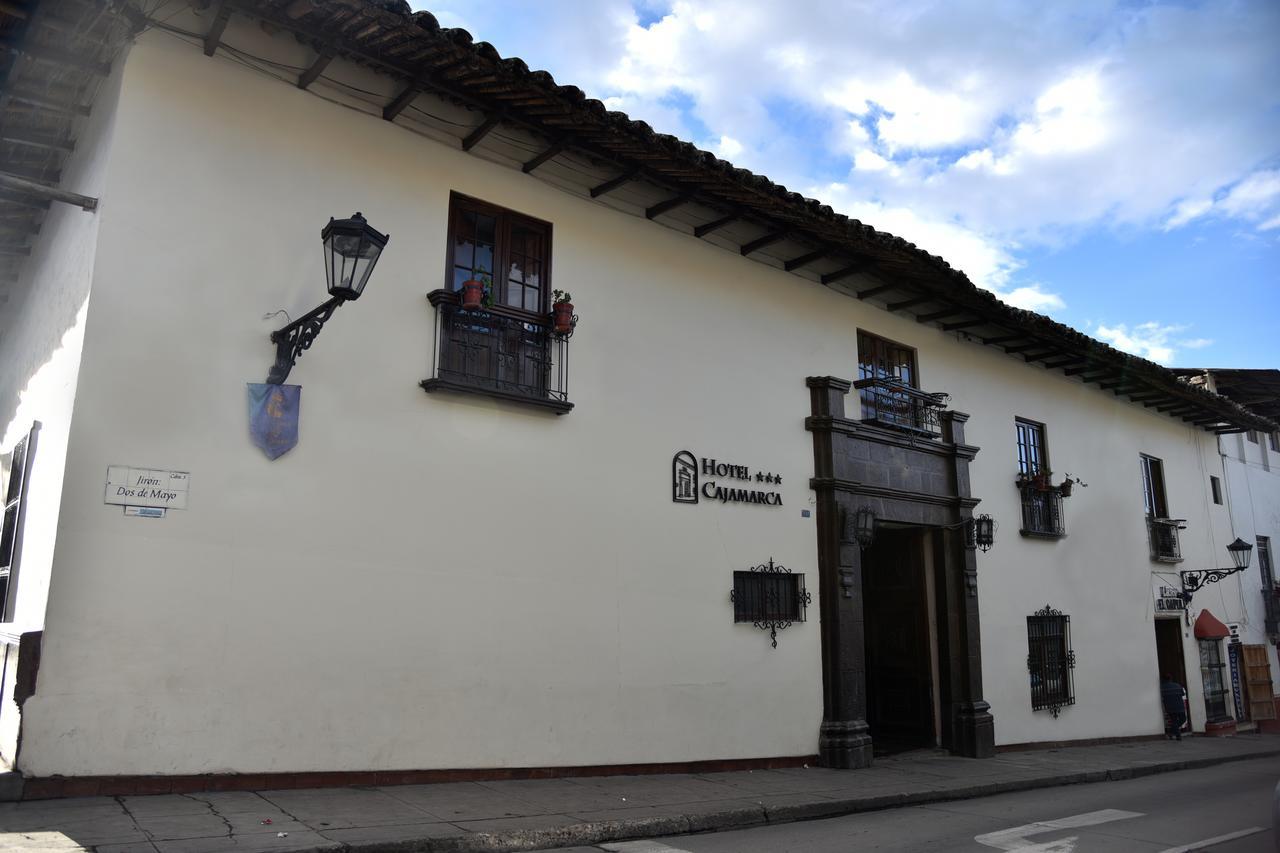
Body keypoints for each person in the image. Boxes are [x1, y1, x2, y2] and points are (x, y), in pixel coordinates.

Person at [1161, 673, 1187, 740]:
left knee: (1174, 721)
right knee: (1183, 719)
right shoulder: (1177, 685)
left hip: (1170, 707)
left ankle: (1172, 732)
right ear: (1171, 679)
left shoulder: (1162, 687)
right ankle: (1177, 735)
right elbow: (1183, 693)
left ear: (1163, 679)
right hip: (1180, 706)